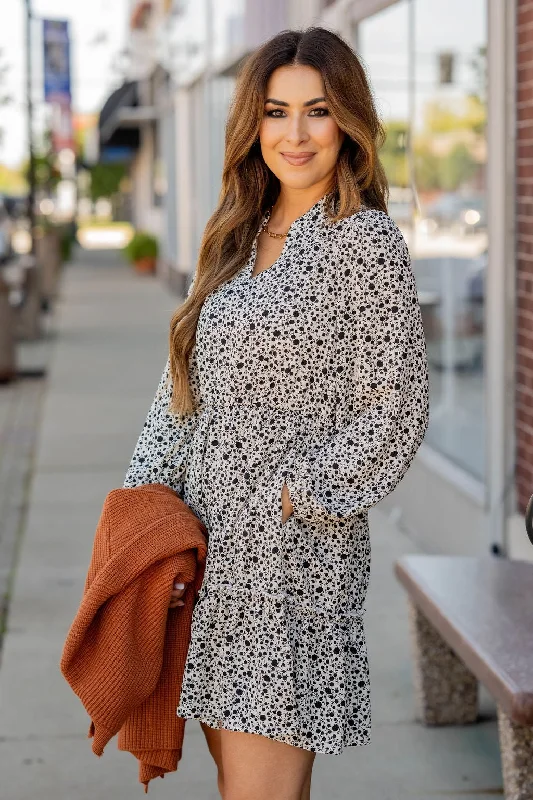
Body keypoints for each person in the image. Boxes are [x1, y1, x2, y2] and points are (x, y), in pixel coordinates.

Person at [124, 26, 429, 800]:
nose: (294, 134)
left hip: (289, 561)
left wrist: (295, 496)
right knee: (239, 786)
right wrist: (137, 507)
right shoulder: (238, 230)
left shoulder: (363, 243)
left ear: (347, 122)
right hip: (205, 551)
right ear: (251, 124)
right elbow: (181, 387)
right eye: (275, 111)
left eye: (316, 111)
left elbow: (395, 410)